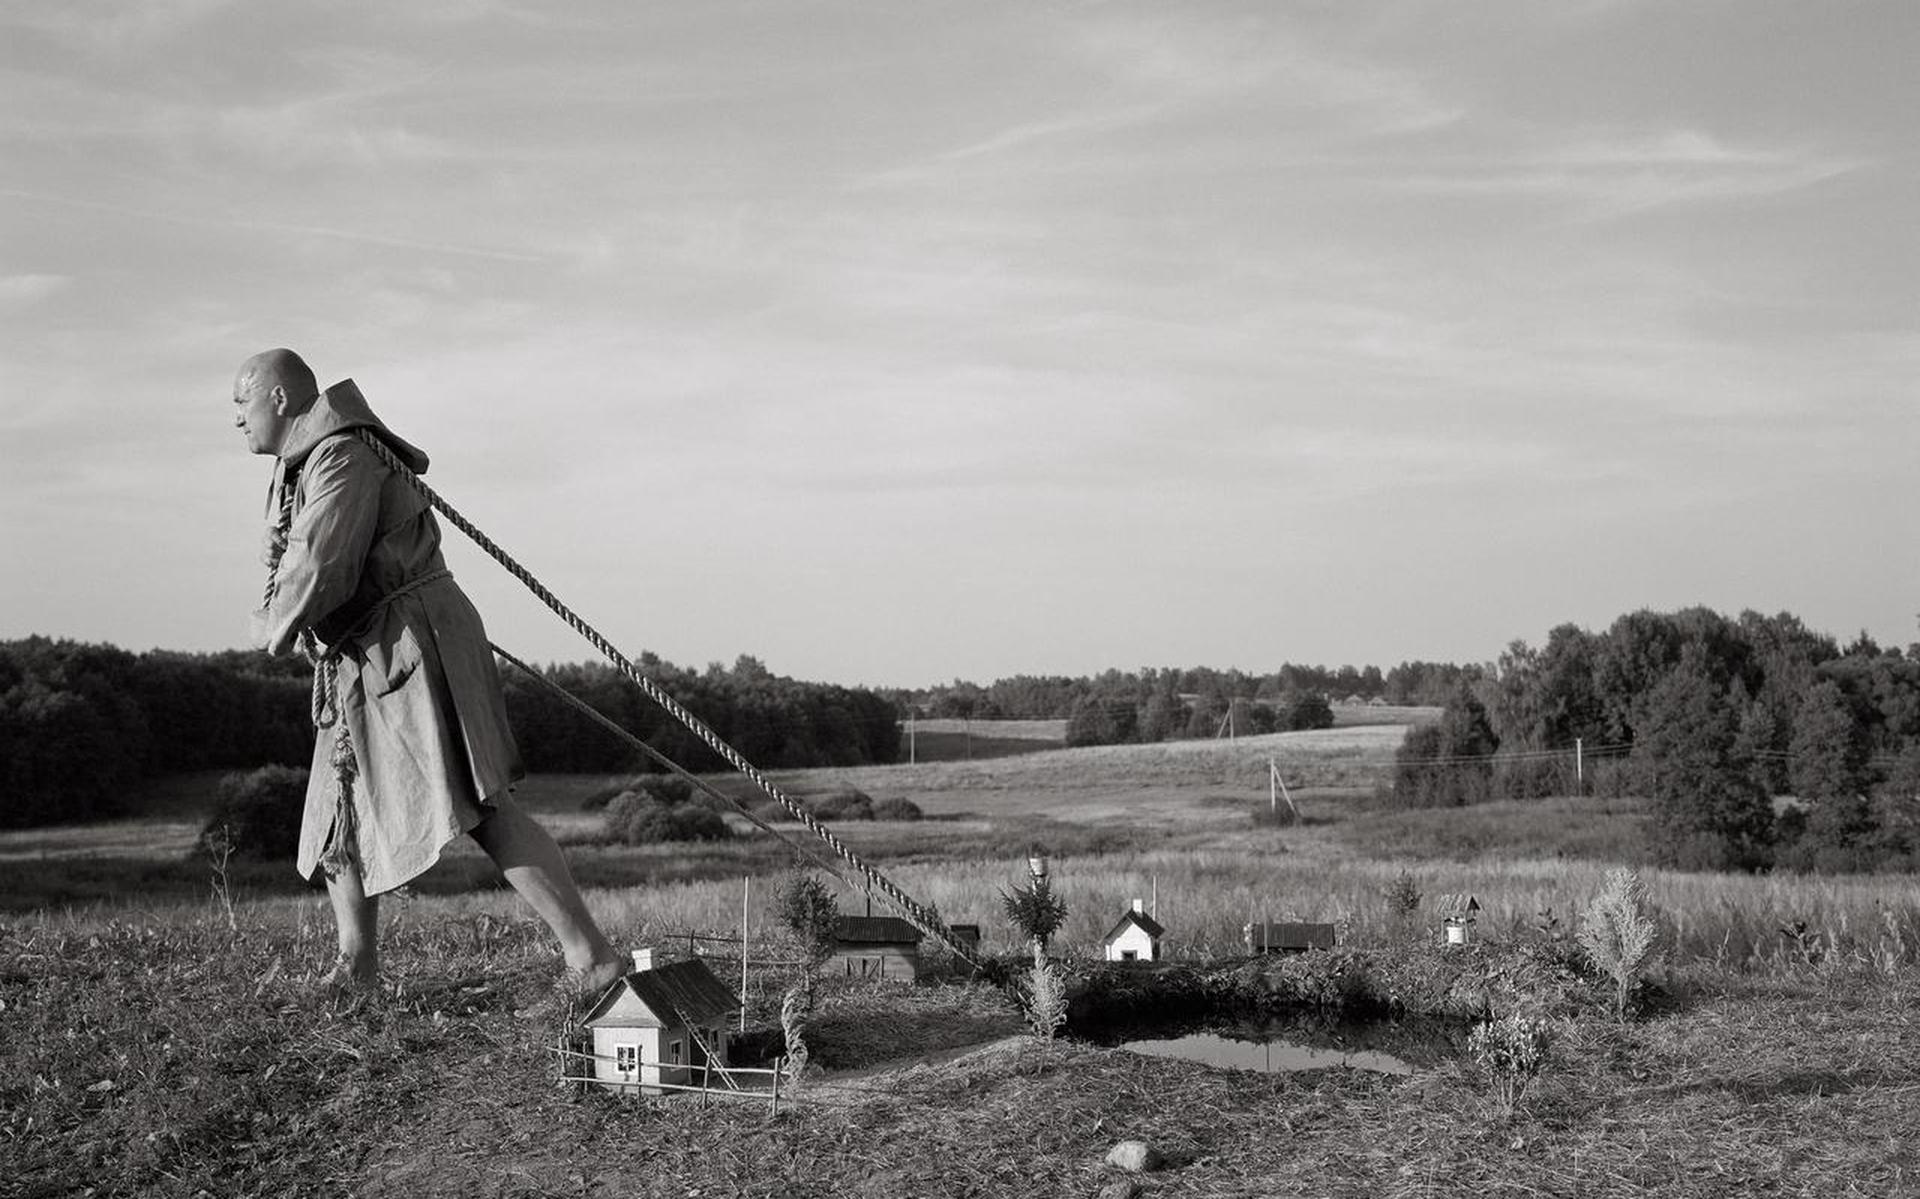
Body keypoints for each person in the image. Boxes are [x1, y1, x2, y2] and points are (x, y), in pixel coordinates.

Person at [232, 348, 626, 998]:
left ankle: (592, 956)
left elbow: (320, 568)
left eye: (240, 403)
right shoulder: (304, 462)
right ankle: (356, 970)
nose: (236, 421)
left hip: (411, 639)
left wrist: (267, 622)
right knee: (337, 810)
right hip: (364, 651)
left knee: (479, 803)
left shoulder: (340, 453)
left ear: (278, 398)